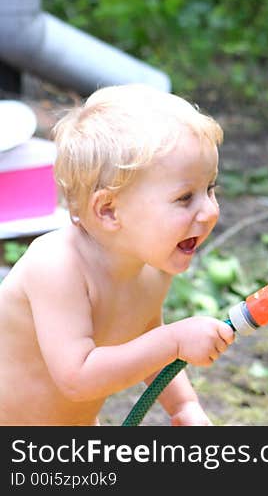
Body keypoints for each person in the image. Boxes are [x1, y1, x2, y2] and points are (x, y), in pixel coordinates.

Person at [0, 84, 234, 425]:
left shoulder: (151, 269)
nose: (209, 211)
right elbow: (78, 378)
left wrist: (183, 405)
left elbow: (145, 333)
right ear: (109, 210)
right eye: (185, 197)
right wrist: (175, 341)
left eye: (209, 189)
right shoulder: (57, 266)